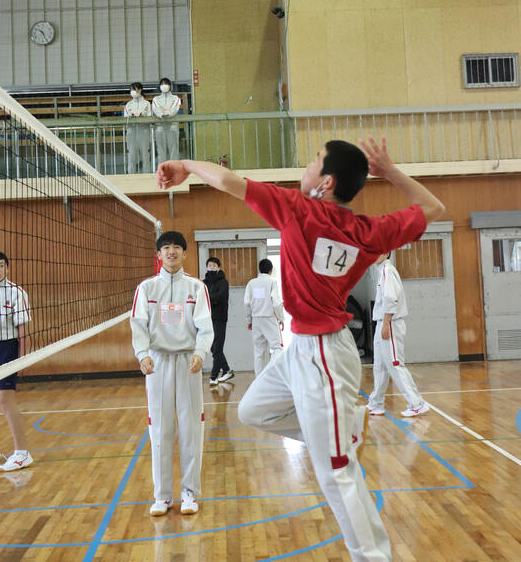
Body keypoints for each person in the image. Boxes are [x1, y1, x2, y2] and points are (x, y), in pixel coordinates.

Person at [156, 136, 444, 562]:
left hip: (324, 355)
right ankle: (341, 432)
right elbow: (433, 208)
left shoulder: (297, 209)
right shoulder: (368, 231)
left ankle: (373, 555)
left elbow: (228, 181)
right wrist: (390, 173)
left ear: (326, 183)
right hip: (301, 349)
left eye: (314, 160)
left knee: (336, 474)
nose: (306, 166)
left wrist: (185, 163)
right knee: (252, 409)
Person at [130, 231, 214, 516]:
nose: (171, 252)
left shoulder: (196, 288)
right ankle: (162, 496)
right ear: (159, 255)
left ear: (185, 253)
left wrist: (200, 353)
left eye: (177, 247)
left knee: (191, 429)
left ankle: (189, 493)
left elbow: (206, 326)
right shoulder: (146, 288)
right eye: (166, 248)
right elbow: (138, 324)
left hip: (188, 362)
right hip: (158, 363)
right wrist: (142, 355)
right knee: (160, 429)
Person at [368, 253, 429, 418]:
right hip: (381, 322)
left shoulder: (388, 271)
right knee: (380, 365)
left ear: (387, 252)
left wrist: (386, 323)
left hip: (390, 323)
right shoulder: (381, 271)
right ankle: (376, 403)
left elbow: (390, 299)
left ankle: (417, 403)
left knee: (395, 364)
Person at [0, 251, 33, 472]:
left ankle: (22, 453)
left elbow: (22, 328)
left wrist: (23, 357)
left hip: (6, 349)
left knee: (5, 400)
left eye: (1, 266)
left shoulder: (16, 293)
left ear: (8, 268)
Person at [244, 259, 284, 375]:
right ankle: (274, 374)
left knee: (258, 351)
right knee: (277, 348)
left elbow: (246, 303)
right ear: (270, 270)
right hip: (269, 318)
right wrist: (281, 318)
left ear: (259, 269)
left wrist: (249, 320)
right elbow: (276, 303)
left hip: (256, 319)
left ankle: (259, 378)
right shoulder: (272, 283)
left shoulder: (251, 283)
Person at [204, 258, 233, 385]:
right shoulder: (204, 283)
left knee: (217, 347)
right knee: (212, 347)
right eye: (209, 265)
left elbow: (220, 297)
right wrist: (211, 299)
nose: (211, 267)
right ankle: (226, 370)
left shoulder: (223, 282)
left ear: (219, 268)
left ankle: (213, 376)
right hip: (207, 318)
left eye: (214, 265)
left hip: (220, 317)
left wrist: (208, 298)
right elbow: (201, 297)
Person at [152, 77, 181, 163]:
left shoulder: (175, 98)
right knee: (160, 149)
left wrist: (169, 114)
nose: (164, 86)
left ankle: (174, 168)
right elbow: (156, 109)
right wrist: (161, 114)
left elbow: (175, 109)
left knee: (174, 148)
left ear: (170, 86)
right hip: (160, 126)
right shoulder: (156, 99)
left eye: (166, 84)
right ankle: (162, 168)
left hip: (172, 125)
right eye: (162, 84)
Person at [124, 82, 151, 174]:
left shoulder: (147, 104)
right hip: (131, 132)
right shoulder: (128, 105)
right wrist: (132, 116)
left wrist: (141, 116)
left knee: (145, 155)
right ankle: (130, 175)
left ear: (140, 90)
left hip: (144, 131)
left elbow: (149, 116)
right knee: (131, 155)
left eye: (134, 90)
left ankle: (147, 175)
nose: (132, 92)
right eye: (131, 90)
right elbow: (126, 117)